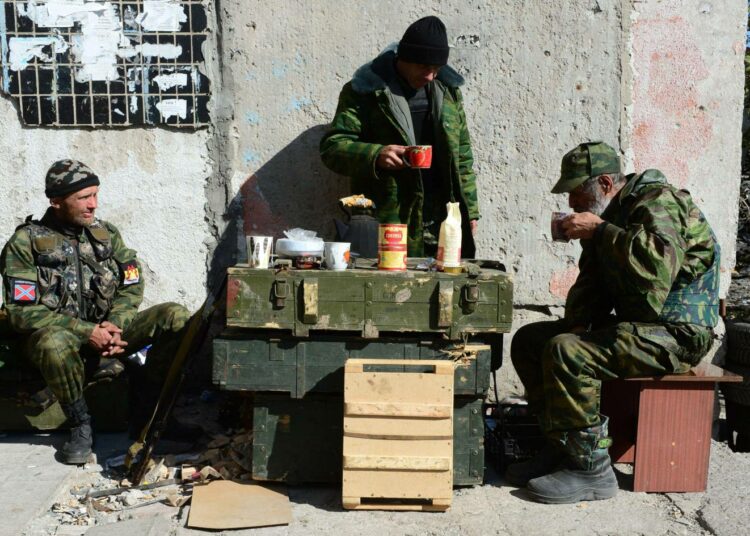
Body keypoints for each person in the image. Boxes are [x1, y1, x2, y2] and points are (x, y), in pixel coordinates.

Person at [508, 142, 719, 503]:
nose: (572, 204)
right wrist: (576, 324)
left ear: (605, 183)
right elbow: (592, 282)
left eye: (577, 192)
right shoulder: (610, 215)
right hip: (639, 327)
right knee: (532, 340)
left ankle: (592, 470)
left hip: (679, 334)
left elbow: (656, 272)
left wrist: (601, 231)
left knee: (568, 353)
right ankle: (564, 448)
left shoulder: (659, 202)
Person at [0, 160, 193, 464]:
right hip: (58, 344)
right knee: (53, 341)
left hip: (107, 333)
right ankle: (80, 425)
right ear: (56, 201)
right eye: (83, 197)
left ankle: (151, 412)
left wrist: (115, 324)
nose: (93, 205)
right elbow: (20, 312)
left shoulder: (105, 234)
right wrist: (87, 331)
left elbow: (132, 282)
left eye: (95, 195)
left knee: (175, 316)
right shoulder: (25, 244)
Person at [320, 15, 480, 258]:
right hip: (389, 223)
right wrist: (376, 154)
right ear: (403, 58)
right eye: (424, 67)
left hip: (442, 224)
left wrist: (470, 212)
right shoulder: (366, 92)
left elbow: (463, 158)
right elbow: (332, 147)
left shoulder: (448, 94)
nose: (430, 76)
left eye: (436, 69)